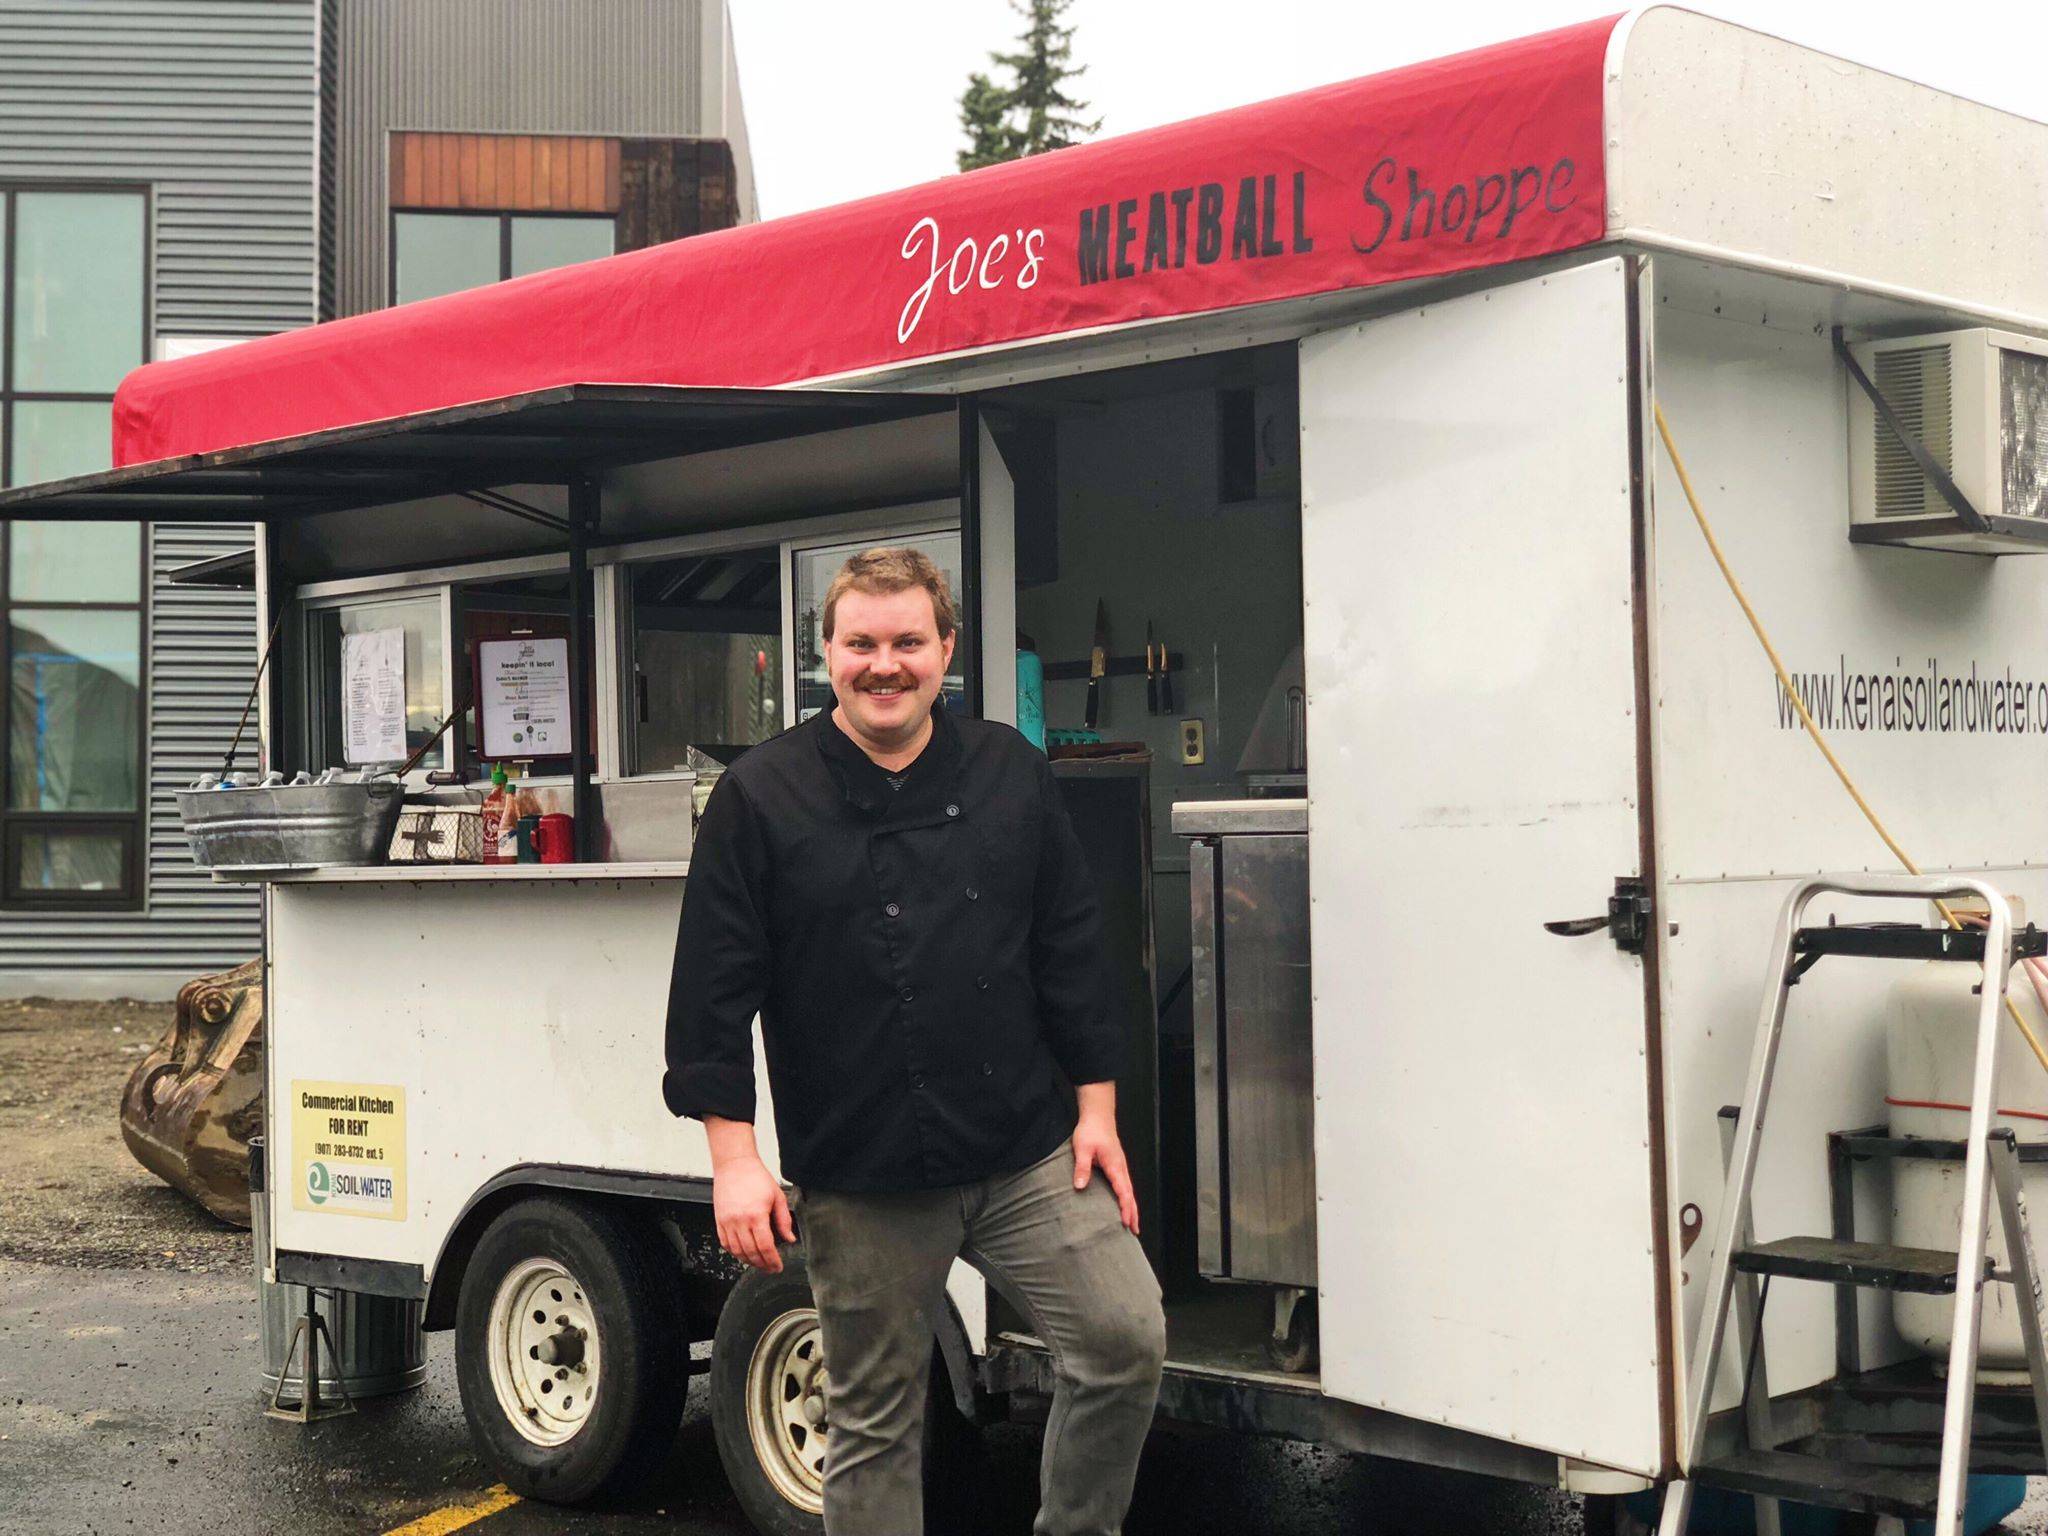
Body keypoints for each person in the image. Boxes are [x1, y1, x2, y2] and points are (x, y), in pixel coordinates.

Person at [664, 546, 1166, 1536]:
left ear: (945, 650)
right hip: (862, 1172)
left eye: (905, 642)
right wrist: (733, 1158)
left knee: (1122, 1338)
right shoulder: (759, 799)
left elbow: (1070, 948)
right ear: (824, 652)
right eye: (860, 643)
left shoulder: (1009, 775)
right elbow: (713, 988)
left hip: (1021, 1148)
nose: (882, 664)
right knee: (874, 1427)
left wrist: (1096, 1110)